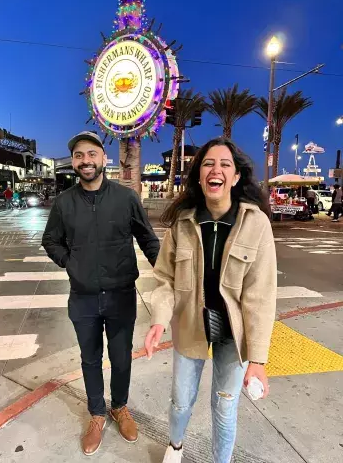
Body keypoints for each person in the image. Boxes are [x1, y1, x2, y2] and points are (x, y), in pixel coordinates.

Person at [144, 137, 277, 463]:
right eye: (207, 163)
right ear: (199, 176)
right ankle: (175, 446)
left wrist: (257, 360)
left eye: (224, 164)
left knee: (225, 404)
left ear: (235, 177)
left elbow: (260, 296)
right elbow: (164, 280)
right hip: (191, 326)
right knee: (180, 400)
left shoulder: (256, 223)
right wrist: (159, 319)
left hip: (233, 335)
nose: (215, 169)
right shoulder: (183, 223)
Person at [42, 131, 160, 456]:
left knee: (121, 358)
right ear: (74, 162)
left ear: (103, 158)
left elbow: (149, 240)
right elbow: (50, 240)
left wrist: (168, 275)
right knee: (90, 358)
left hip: (121, 295)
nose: (86, 161)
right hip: (82, 298)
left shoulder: (126, 198)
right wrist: (71, 263)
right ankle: (97, 412)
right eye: (79, 155)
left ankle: (119, 407)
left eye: (91, 154)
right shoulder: (64, 203)